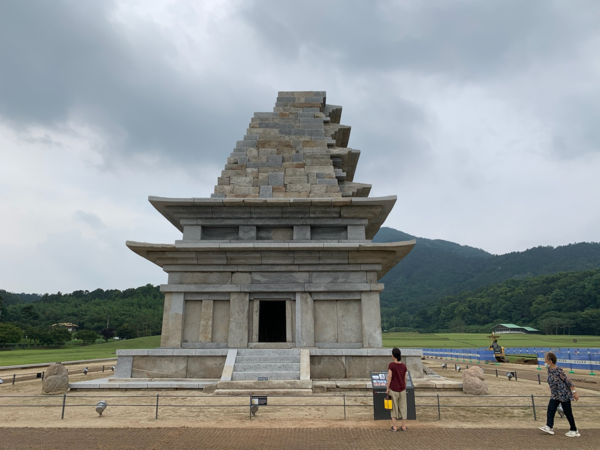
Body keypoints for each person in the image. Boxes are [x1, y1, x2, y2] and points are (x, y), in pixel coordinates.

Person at [539, 352, 581, 437]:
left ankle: (574, 430)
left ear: (550, 361)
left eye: (545, 360)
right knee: (550, 409)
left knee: (567, 412)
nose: (544, 362)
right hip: (555, 395)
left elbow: (568, 381)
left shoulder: (558, 370)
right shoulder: (549, 370)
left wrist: (574, 392)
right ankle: (549, 426)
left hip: (563, 394)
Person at [386, 347, 408, 432]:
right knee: (403, 407)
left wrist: (387, 388)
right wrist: (404, 386)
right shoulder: (403, 366)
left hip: (393, 389)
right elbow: (405, 378)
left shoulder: (391, 365)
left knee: (394, 408)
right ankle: (403, 426)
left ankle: (394, 426)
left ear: (393, 356)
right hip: (402, 389)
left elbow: (389, 377)